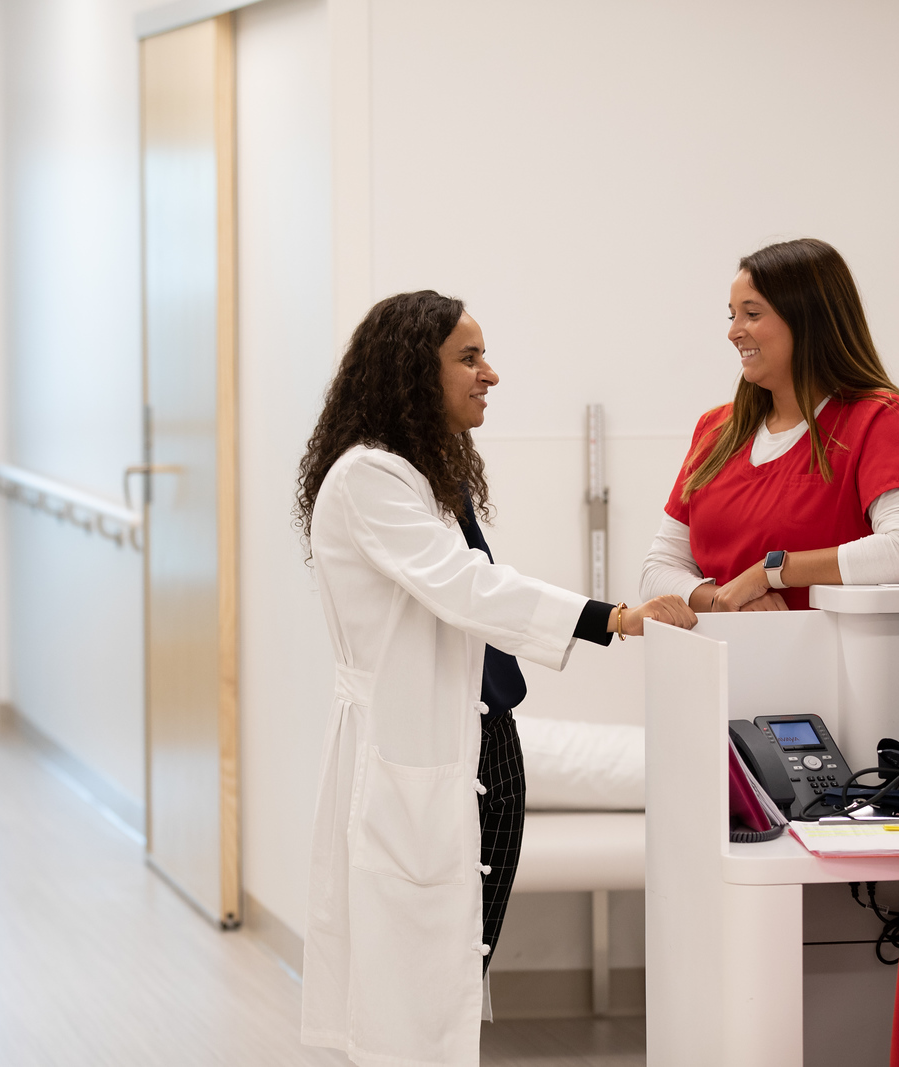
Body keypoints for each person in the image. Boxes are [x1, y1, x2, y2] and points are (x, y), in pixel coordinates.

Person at [294, 291, 695, 1067]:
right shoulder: (369, 478)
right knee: (409, 993)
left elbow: (475, 584)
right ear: (415, 370)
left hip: (482, 746)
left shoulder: (422, 471)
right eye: (469, 358)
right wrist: (610, 616)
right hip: (415, 752)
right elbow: (466, 587)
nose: (491, 375)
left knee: (447, 972)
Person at [642, 238, 899, 612]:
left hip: (827, 664)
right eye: (732, 315)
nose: (734, 332)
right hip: (722, 659)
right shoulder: (716, 430)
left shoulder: (878, 418)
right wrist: (723, 600)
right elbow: (657, 569)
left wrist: (770, 572)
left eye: (752, 314)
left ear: (809, 320)